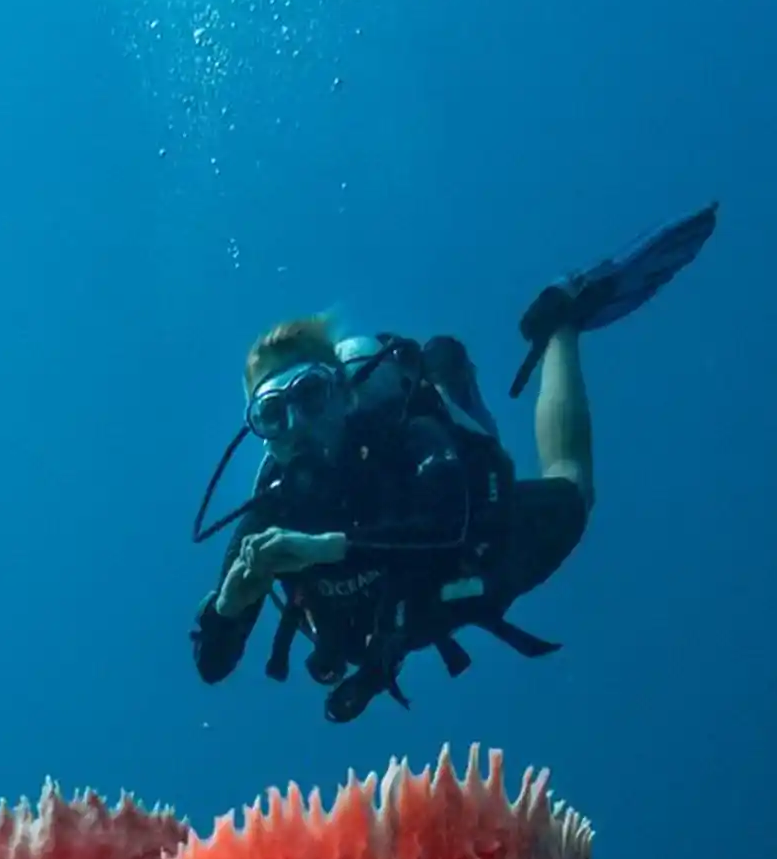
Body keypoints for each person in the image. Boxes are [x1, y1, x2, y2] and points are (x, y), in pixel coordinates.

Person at [190, 203, 718, 722]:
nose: (298, 424)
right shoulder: (270, 515)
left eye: (309, 396)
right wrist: (230, 604)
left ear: (345, 395)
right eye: (273, 412)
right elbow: (212, 666)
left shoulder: (404, 436)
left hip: (469, 566)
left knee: (572, 490)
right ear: (260, 433)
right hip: (392, 622)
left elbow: (450, 523)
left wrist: (328, 546)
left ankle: (561, 323)